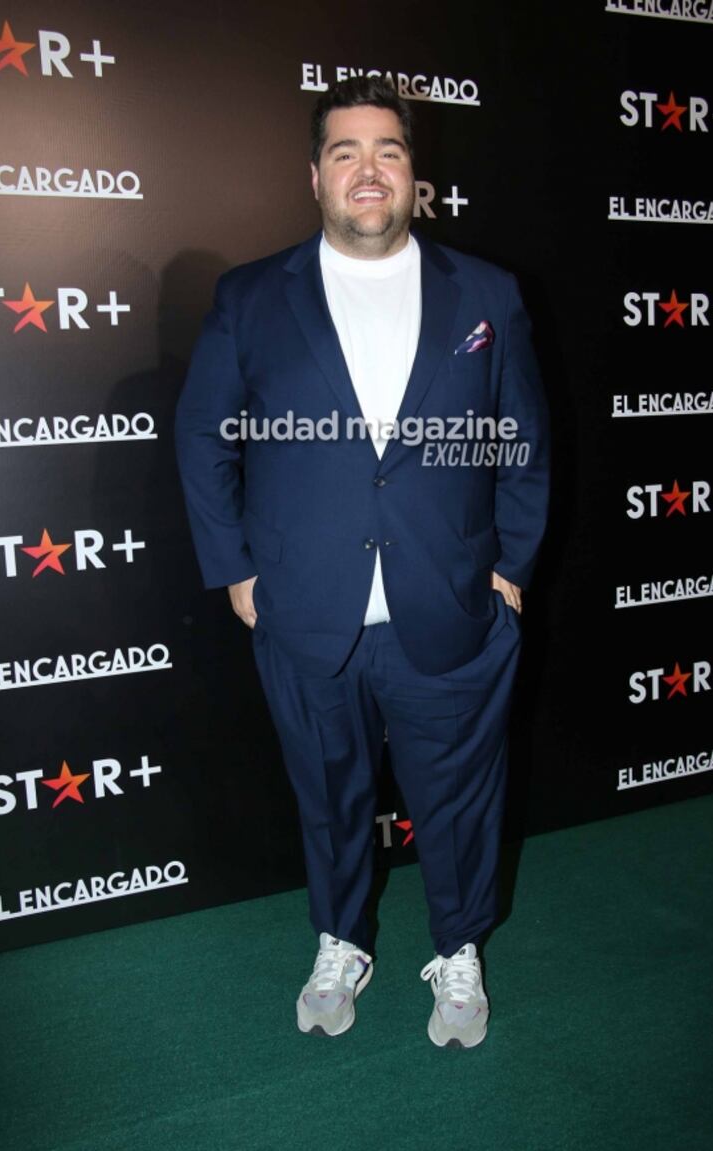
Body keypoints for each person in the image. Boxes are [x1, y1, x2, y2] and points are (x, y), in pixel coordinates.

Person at [175, 76, 549, 1049]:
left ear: (412, 174)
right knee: (328, 798)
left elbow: (523, 439)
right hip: (306, 615)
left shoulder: (486, 294)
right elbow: (202, 438)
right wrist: (236, 569)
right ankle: (339, 935)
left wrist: (508, 567)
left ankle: (457, 945)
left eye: (386, 149)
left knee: (460, 804)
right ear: (314, 176)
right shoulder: (252, 296)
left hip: (454, 609)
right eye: (345, 152)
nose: (367, 169)